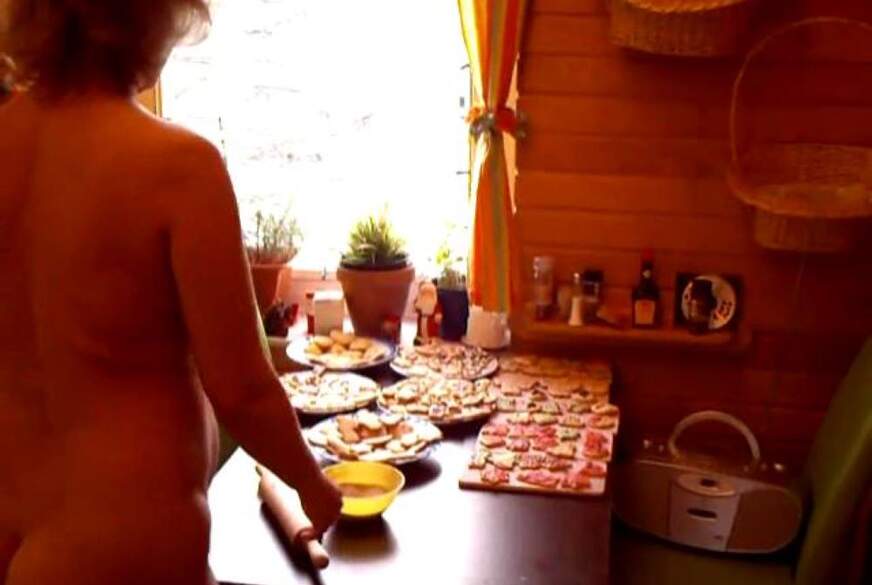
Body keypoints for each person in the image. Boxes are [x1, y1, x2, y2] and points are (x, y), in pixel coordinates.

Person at [0, 2, 342, 584]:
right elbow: (241, 389)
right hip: (131, 542)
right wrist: (311, 483)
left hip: (19, 535)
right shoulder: (178, 166)